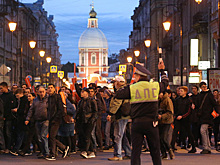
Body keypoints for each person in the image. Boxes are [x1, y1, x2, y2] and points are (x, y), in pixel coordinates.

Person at [113, 61, 168, 165]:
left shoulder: (133, 87)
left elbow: (118, 94)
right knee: (155, 150)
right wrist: (162, 70)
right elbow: (165, 82)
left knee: (136, 151)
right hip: (152, 123)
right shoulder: (155, 86)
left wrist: (119, 85)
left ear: (138, 76)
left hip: (137, 123)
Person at [108, 76, 131, 161]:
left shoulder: (120, 91)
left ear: (117, 83)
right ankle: (128, 152)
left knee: (117, 135)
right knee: (122, 135)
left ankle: (118, 154)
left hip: (120, 115)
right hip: (125, 115)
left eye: (114, 83)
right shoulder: (126, 90)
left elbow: (116, 103)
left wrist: (110, 113)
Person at [25, 86, 50, 159]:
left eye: (43, 92)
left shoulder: (48, 99)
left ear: (45, 92)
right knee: (39, 137)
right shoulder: (35, 100)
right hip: (37, 120)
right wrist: (28, 119)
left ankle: (47, 152)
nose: (42, 93)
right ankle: (42, 151)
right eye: (40, 92)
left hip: (46, 120)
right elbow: (31, 110)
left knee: (43, 136)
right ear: (38, 92)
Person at [46, 84, 70, 160]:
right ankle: (63, 148)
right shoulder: (49, 98)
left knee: (52, 137)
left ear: (54, 89)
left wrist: (56, 118)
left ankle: (53, 154)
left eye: (51, 88)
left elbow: (60, 109)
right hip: (51, 119)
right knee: (51, 137)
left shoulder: (57, 97)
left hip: (56, 120)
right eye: (48, 88)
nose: (49, 89)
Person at [171, 86, 196, 153]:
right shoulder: (177, 100)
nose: (180, 92)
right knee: (175, 132)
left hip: (186, 119)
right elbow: (175, 108)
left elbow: (189, 111)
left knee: (189, 133)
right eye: (179, 91)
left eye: (181, 91)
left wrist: (182, 116)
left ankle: (193, 147)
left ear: (185, 92)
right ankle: (172, 147)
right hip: (178, 118)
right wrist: (175, 115)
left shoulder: (189, 100)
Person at [75, 87, 98, 159]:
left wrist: (92, 119)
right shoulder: (80, 102)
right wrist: (76, 119)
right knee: (85, 136)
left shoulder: (92, 101)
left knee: (87, 136)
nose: (81, 93)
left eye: (83, 92)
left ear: (87, 93)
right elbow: (78, 111)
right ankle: (91, 151)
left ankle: (85, 150)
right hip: (82, 121)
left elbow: (95, 111)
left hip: (89, 120)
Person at [198, 82, 219, 154]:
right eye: (202, 86)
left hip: (207, 116)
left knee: (202, 130)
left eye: (205, 86)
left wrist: (217, 112)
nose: (204, 88)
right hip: (202, 116)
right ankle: (208, 147)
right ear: (200, 87)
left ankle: (206, 147)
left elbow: (215, 104)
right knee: (205, 131)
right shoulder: (200, 95)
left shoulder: (209, 95)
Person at [10, 88, 28, 156]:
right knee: (22, 135)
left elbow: (23, 110)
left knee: (21, 135)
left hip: (22, 119)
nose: (16, 97)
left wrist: (17, 110)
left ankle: (16, 149)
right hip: (20, 119)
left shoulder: (23, 100)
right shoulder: (20, 100)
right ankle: (24, 149)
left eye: (17, 95)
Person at [0, 82, 17, 153]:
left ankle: (8, 147)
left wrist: (6, 116)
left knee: (8, 132)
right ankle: (4, 147)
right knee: (3, 132)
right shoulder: (1, 96)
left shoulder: (11, 96)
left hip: (9, 118)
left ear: (6, 87)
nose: (0, 90)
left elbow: (11, 107)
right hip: (2, 117)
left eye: (1, 88)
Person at [158, 91, 175, 160]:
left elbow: (170, 112)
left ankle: (170, 150)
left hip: (166, 121)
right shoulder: (158, 100)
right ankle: (163, 153)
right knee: (159, 138)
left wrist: (162, 116)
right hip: (159, 121)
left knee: (163, 137)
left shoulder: (167, 100)